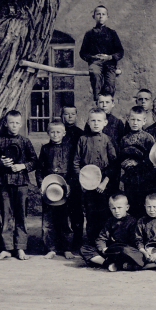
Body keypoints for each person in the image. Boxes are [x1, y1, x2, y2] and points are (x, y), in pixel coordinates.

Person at [0, 110, 37, 261]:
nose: (14, 125)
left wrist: (23, 166)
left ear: (21, 124)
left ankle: (20, 248)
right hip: (4, 183)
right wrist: (0, 163)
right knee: (6, 216)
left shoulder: (25, 141)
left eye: (17, 123)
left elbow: (34, 161)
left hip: (21, 184)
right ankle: (7, 249)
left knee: (21, 216)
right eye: (11, 122)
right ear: (6, 123)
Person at [72, 110, 118, 246]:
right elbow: (76, 162)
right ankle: (92, 243)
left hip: (103, 185)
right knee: (91, 214)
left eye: (99, 121)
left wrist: (104, 182)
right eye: (93, 120)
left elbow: (114, 164)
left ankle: (104, 243)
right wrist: (82, 182)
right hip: (87, 184)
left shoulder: (107, 140)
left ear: (105, 123)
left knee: (104, 213)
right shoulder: (82, 139)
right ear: (88, 122)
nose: (96, 123)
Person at [35, 121, 74, 260]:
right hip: (49, 189)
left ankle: (66, 248)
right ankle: (50, 248)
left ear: (64, 133)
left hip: (64, 188)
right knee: (48, 221)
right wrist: (41, 185)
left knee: (65, 220)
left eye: (58, 132)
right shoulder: (45, 149)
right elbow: (39, 169)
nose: (55, 134)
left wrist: (69, 184)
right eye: (52, 132)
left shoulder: (70, 148)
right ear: (48, 133)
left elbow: (72, 169)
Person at [80, 194, 144, 271]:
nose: (116, 211)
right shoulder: (110, 221)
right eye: (113, 208)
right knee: (84, 248)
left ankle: (115, 263)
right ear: (110, 209)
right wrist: (103, 248)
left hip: (125, 250)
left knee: (126, 251)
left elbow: (134, 241)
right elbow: (101, 238)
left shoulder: (132, 222)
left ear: (127, 207)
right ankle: (108, 263)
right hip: (112, 250)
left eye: (119, 208)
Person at [79, 5, 123, 101]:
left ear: (107, 17)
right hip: (95, 62)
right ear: (93, 16)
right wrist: (92, 57)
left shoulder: (112, 33)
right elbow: (82, 52)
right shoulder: (89, 33)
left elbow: (120, 51)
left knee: (110, 82)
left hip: (109, 63)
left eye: (103, 14)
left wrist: (110, 57)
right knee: (95, 74)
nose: (101, 16)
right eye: (98, 14)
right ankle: (97, 101)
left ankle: (108, 102)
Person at [118, 106, 156, 219]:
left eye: (138, 120)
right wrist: (124, 164)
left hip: (144, 179)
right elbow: (120, 157)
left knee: (143, 206)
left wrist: (138, 164)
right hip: (129, 179)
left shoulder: (148, 138)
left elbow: (152, 160)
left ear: (144, 121)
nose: (135, 122)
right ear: (128, 120)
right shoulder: (124, 139)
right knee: (131, 205)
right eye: (133, 119)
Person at [61, 106, 86, 253]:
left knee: (76, 211)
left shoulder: (80, 134)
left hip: (75, 176)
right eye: (66, 114)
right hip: (62, 176)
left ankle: (77, 241)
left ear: (76, 116)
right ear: (62, 115)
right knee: (62, 210)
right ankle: (62, 243)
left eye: (72, 114)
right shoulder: (58, 131)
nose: (69, 117)